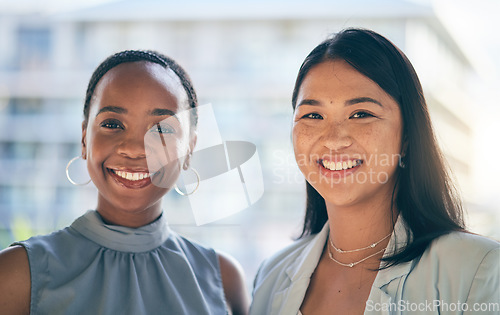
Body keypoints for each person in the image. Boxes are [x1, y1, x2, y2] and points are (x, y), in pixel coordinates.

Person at [250, 28, 500, 314]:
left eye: (361, 114)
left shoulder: (478, 269)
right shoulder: (270, 277)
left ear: (407, 137)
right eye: (313, 115)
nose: (333, 139)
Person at [0, 50, 249, 314]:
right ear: (85, 139)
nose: (134, 148)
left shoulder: (224, 279)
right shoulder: (16, 275)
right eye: (112, 123)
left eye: (162, 129)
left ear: (189, 148)